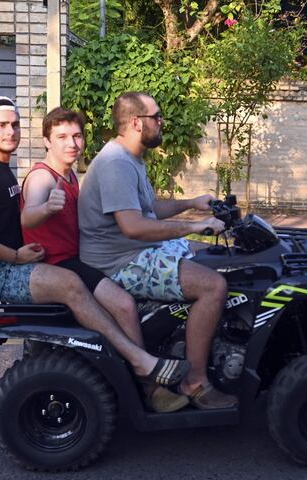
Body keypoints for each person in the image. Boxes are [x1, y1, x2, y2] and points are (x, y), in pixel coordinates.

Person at [0, 96, 189, 393]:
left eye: (14, 124)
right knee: (76, 287)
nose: (10, 131)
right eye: (1, 125)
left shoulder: (13, 168)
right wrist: (15, 253)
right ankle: (143, 372)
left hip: (31, 259)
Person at [19, 106, 188, 413]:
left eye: (77, 135)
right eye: (62, 137)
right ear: (47, 141)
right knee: (122, 305)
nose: (72, 143)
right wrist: (46, 208)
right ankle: (148, 385)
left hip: (79, 257)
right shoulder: (43, 178)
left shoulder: (69, 173)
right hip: (61, 265)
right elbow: (29, 215)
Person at [78, 92, 238, 409]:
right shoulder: (115, 163)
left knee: (223, 259)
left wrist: (191, 204)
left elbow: (149, 209)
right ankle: (195, 381)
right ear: (137, 122)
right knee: (213, 287)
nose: (162, 122)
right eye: (157, 116)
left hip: (138, 249)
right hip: (121, 261)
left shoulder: (130, 158)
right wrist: (194, 226)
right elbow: (134, 227)